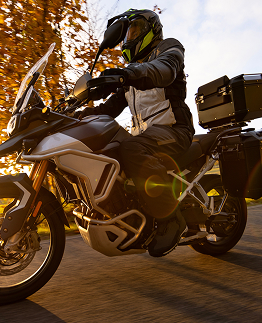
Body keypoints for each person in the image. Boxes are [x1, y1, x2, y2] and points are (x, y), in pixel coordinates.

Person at [74, 8, 194, 257]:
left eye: (135, 30)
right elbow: (109, 109)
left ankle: (170, 217)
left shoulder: (168, 50)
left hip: (175, 130)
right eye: (128, 32)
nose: (130, 36)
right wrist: (79, 111)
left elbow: (164, 69)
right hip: (147, 137)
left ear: (152, 30)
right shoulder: (133, 70)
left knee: (130, 148)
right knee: (111, 149)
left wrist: (127, 74)